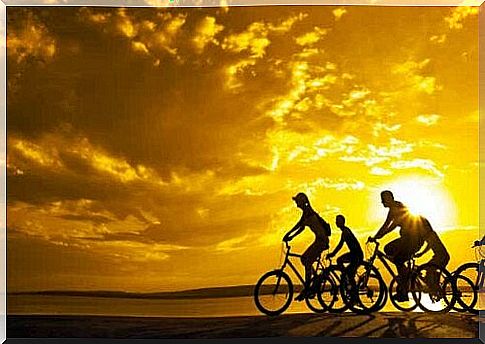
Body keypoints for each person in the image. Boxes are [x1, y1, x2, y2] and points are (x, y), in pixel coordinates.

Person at [370, 190, 428, 302]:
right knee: (388, 249)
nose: (382, 202)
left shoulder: (398, 207)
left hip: (412, 240)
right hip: (407, 240)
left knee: (398, 259)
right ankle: (405, 275)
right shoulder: (393, 209)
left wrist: (378, 236)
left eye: (383, 200)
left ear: (389, 198)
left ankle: (404, 288)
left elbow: (392, 226)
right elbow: (386, 225)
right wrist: (377, 236)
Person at [283, 192, 331, 301]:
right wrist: (289, 235)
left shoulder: (308, 212)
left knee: (308, 262)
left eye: (297, 202)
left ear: (302, 202)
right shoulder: (306, 213)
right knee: (304, 259)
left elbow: (300, 227)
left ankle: (308, 288)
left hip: (322, 241)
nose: (296, 204)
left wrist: (289, 235)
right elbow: (299, 226)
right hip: (318, 240)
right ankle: (315, 279)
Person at [413, 218, 450, 295]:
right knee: (430, 270)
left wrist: (421, 253)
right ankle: (435, 287)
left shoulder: (431, 234)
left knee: (428, 268)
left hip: (441, 256)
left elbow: (430, 245)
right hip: (439, 256)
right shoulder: (429, 234)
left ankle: (435, 288)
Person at [327, 215, 363, 282]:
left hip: (356, 255)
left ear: (343, 222)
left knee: (340, 262)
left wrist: (333, 254)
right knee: (342, 264)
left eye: (338, 221)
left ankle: (346, 278)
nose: (336, 222)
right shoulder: (345, 231)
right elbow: (340, 245)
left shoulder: (345, 232)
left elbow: (340, 245)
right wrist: (333, 254)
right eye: (336, 221)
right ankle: (345, 277)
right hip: (355, 254)